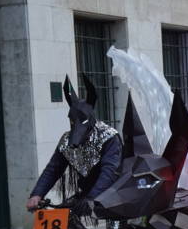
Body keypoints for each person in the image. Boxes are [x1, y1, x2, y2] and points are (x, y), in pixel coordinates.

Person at [26, 76, 121, 218]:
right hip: (87, 191)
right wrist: (37, 194)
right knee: (69, 218)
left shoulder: (108, 136)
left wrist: (92, 197)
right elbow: (53, 168)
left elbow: (110, 170)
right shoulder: (66, 141)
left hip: (115, 192)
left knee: (114, 227)